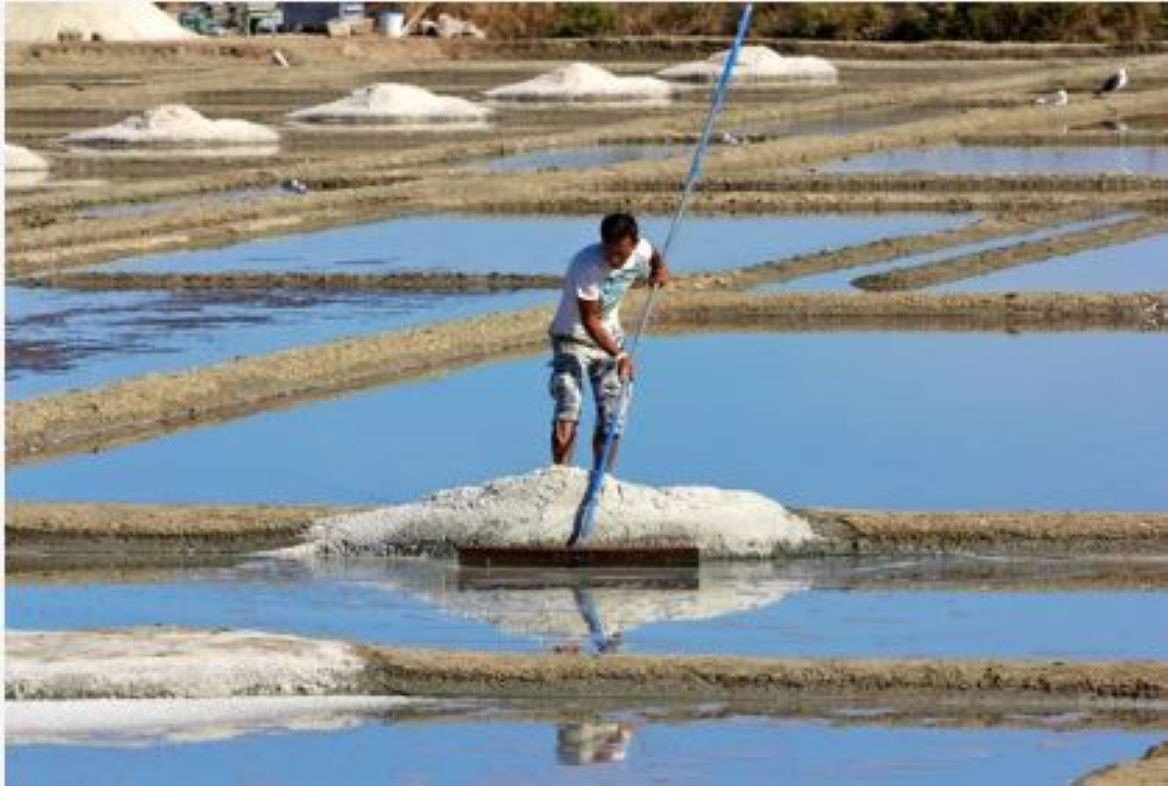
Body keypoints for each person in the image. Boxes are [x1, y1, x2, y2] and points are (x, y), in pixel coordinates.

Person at [547, 213, 669, 467]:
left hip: (610, 338)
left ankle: (602, 480)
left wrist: (659, 270)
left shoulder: (640, 249)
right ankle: (560, 477)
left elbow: (654, 254)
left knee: (613, 414)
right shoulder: (586, 265)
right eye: (608, 251)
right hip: (572, 338)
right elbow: (590, 321)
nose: (613, 260)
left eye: (620, 254)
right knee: (569, 402)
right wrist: (621, 355)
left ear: (633, 245)